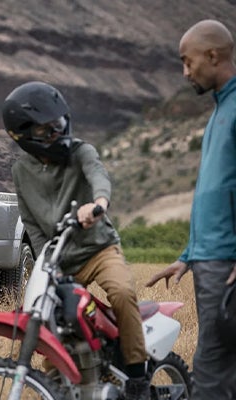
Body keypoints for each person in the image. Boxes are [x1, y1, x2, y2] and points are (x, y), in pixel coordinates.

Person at [2, 81, 150, 399]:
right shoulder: (20, 172)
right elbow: (32, 224)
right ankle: (58, 383)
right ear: (24, 135)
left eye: (59, 125)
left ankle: (138, 374)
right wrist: (47, 266)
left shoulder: (82, 150)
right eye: (46, 130)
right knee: (51, 321)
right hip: (59, 261)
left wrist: (99, 205)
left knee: (122, 292)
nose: (57, 134)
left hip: (98, 248)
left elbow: (98, 175)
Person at [145, 19, 236, 399]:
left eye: (188, 61)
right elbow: (217, 195)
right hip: (209, 259)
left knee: (212, 367)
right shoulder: (220, 111)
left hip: (225, 263)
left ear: (212, 55)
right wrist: (187, 256)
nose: (185, 72)